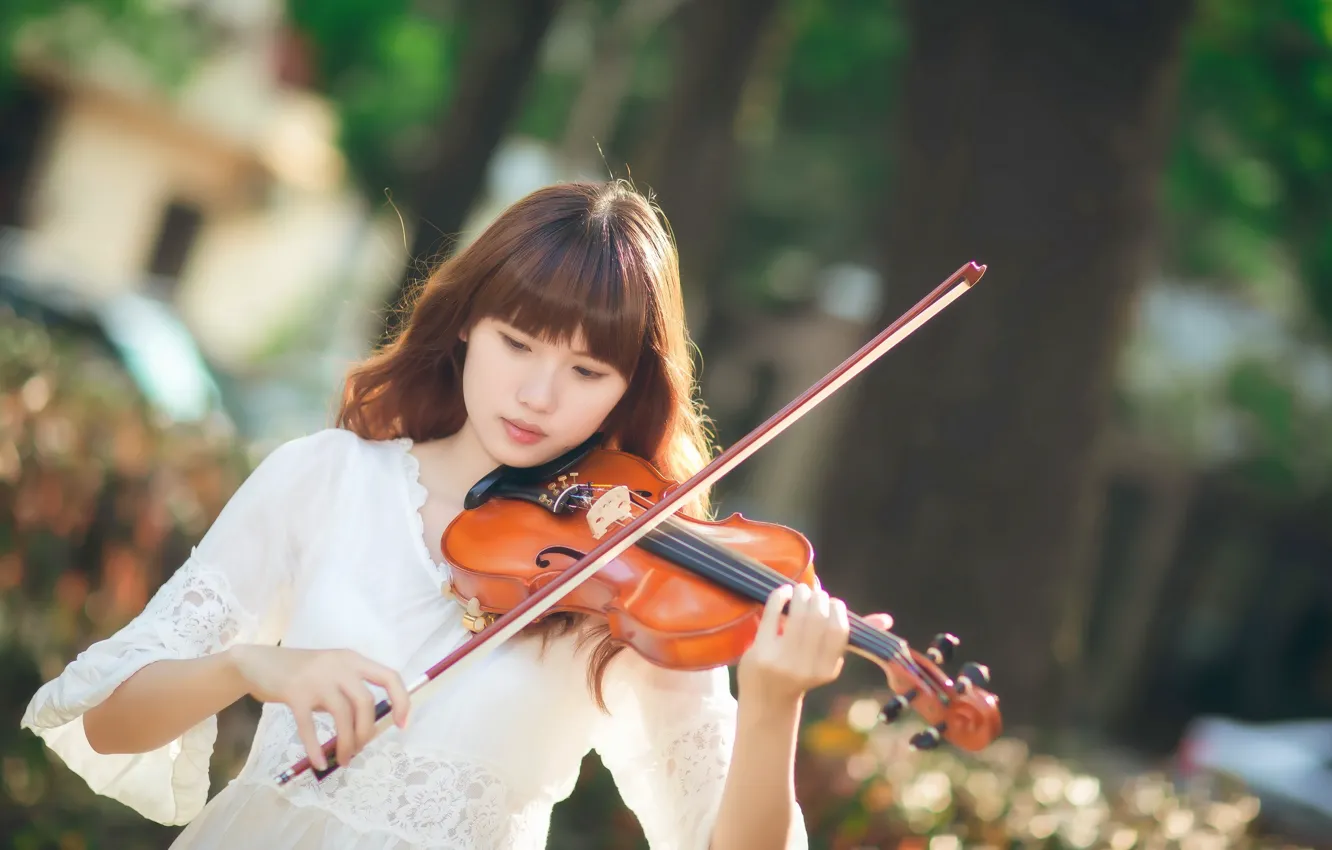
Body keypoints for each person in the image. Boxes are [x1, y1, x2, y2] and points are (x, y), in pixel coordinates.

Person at [21, 180, 892, 849]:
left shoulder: (637, 581)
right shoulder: (326, 479)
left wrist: (774, 702)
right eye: (518, 343)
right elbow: (108, 719)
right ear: (468, 321)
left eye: (589, 372)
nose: (539, 395)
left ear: (632, 390)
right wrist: (256, 667)